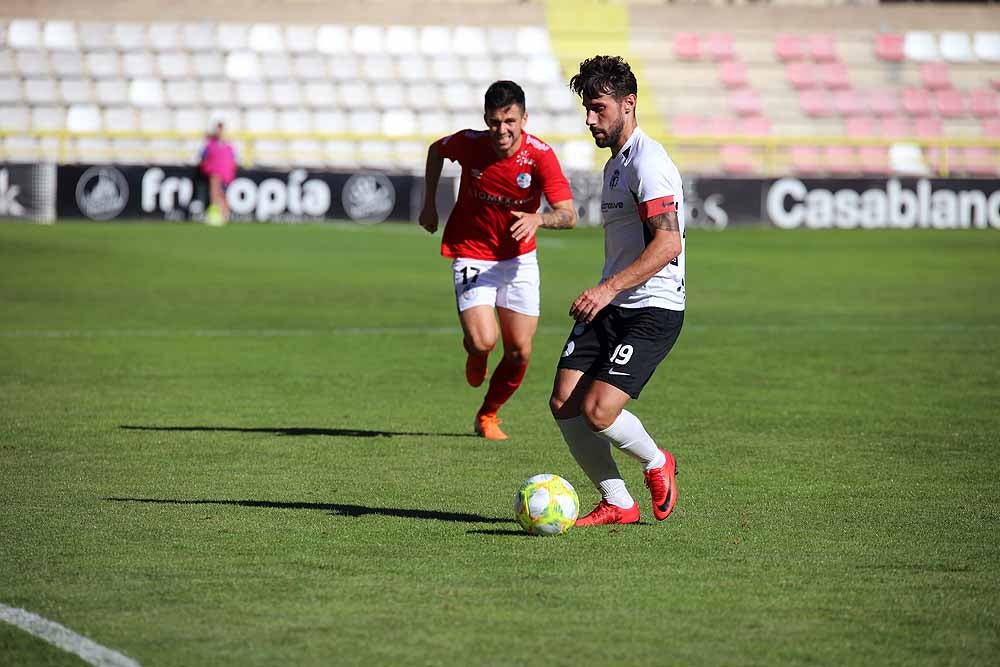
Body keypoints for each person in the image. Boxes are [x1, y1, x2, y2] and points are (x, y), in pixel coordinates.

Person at [549, 55, 685, 526]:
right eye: (587, 108)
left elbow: (668, 243)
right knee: (565, 403)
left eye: (599, 108)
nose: (590, 119)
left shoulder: (650, 163)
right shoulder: (614, 167)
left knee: (598, 411)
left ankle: (656, 462)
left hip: (653, 307)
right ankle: (618, 502)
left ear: (629, 104)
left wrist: (606, 288)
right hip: (614, 302)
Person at [420, 80, 577, 441]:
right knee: (483, 341)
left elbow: (568, 216)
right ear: (485, 119)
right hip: (472, 252)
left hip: (519, 260)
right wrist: (429, 202)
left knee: (520, 350)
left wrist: (539, 218)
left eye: (510, 121)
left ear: (524, 118)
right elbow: (436, 150)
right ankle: (476, 352)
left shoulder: (540, 156)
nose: (502, 131)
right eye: (494, 122)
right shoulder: (470, 144)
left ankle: (488, 415)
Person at [199, 121, 237, 225]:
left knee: (218, 193)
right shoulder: (211, 143)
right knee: (217, 193)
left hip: (223, 171)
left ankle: (220, 215)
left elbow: (233, 159)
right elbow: (203, 155)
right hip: (216, 170)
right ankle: (220, 215)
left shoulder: (227, 144)